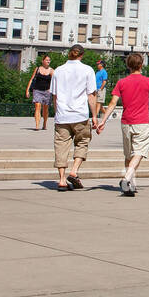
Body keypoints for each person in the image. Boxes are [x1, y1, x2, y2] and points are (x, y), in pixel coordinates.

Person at [98, 52, 149, 196]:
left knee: (128, 155)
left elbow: (113, 102)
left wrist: (103, 121)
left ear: (128, 65)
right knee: (139, 153)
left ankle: (131, 185)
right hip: (142, 122)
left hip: (126, 122)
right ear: (141, 64)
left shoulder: (122, 82)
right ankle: (126, 179)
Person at [49, 44, 101, 191]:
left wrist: (57, 111)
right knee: (82, 142)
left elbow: (55, 96)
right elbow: (91, 95)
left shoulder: (58, 70)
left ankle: (61, 180)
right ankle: (74, 171)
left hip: (62, 115)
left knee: (61, 146)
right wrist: (95, 116)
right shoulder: (87, 70)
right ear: (82, 55)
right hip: (80, 114)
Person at [26, 56, 54, 131]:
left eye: (49, 60)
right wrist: (27, 90)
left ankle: (44, 123)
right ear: (43, 61)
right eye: (47, 60)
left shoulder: (51, 71)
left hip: (47, 91)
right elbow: (32, 79)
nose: (48, 61)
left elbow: (54, 82)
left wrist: (52, 91)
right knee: (37, 106)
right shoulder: (37, 69)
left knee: (45, 109)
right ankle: (37, 125)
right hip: (37, 90)